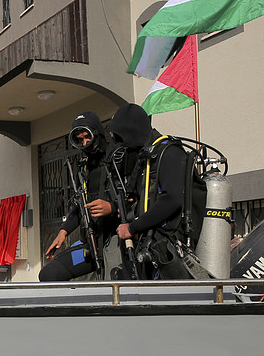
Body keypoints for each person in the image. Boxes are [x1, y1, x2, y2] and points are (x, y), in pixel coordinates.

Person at [110, 103, 199, 279]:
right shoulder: (149, 156)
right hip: (151, 243)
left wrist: (133, 227)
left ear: (130, 132)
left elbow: (172, 199)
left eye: (121, 137)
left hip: (169, 247)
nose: (123, 145)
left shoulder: (169, 153)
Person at [41, 111, 130, 281]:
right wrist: (63, 231)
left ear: (97, 133)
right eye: (80, 140)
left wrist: (112, 207)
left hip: (119, 240)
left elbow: (138, 199)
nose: (85, 143)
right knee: (49, 274)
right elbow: (81, 205)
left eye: (87, 137)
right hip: (91, 242)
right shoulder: (85, 167)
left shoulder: (119, 158)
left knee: (112, 286)